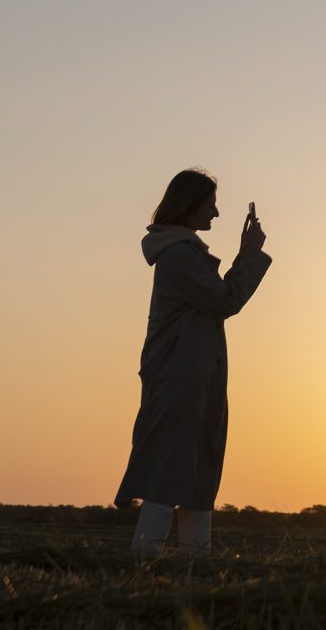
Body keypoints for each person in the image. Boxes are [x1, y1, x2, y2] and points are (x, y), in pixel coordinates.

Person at [115, 169, 271, 553]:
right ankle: (146, 559)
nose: (215, 213)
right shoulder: (179, 257)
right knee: (171, 466)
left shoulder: (184, 254)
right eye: (209, 204)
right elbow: (224, 301)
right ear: (188, 206)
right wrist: (248, 254)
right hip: (181, 376)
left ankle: (194, 564)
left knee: (200, 469)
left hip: (197, 375)